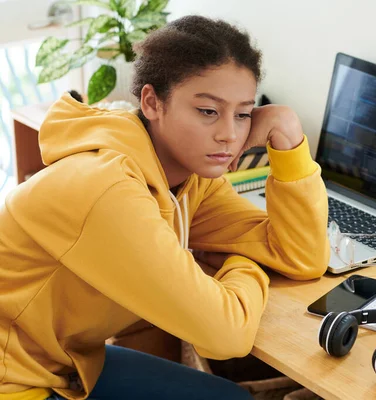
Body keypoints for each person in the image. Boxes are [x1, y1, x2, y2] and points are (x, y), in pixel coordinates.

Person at [0, 15, 329, 400]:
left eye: (243, 113)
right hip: (15, 380)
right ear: (152, 102)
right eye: (208, 111)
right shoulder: (106, 189)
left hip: (68, 361)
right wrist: (247, 263)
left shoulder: (189, 179)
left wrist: (288, 137)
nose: (229, 133)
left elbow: (302, 257)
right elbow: (226, 337)